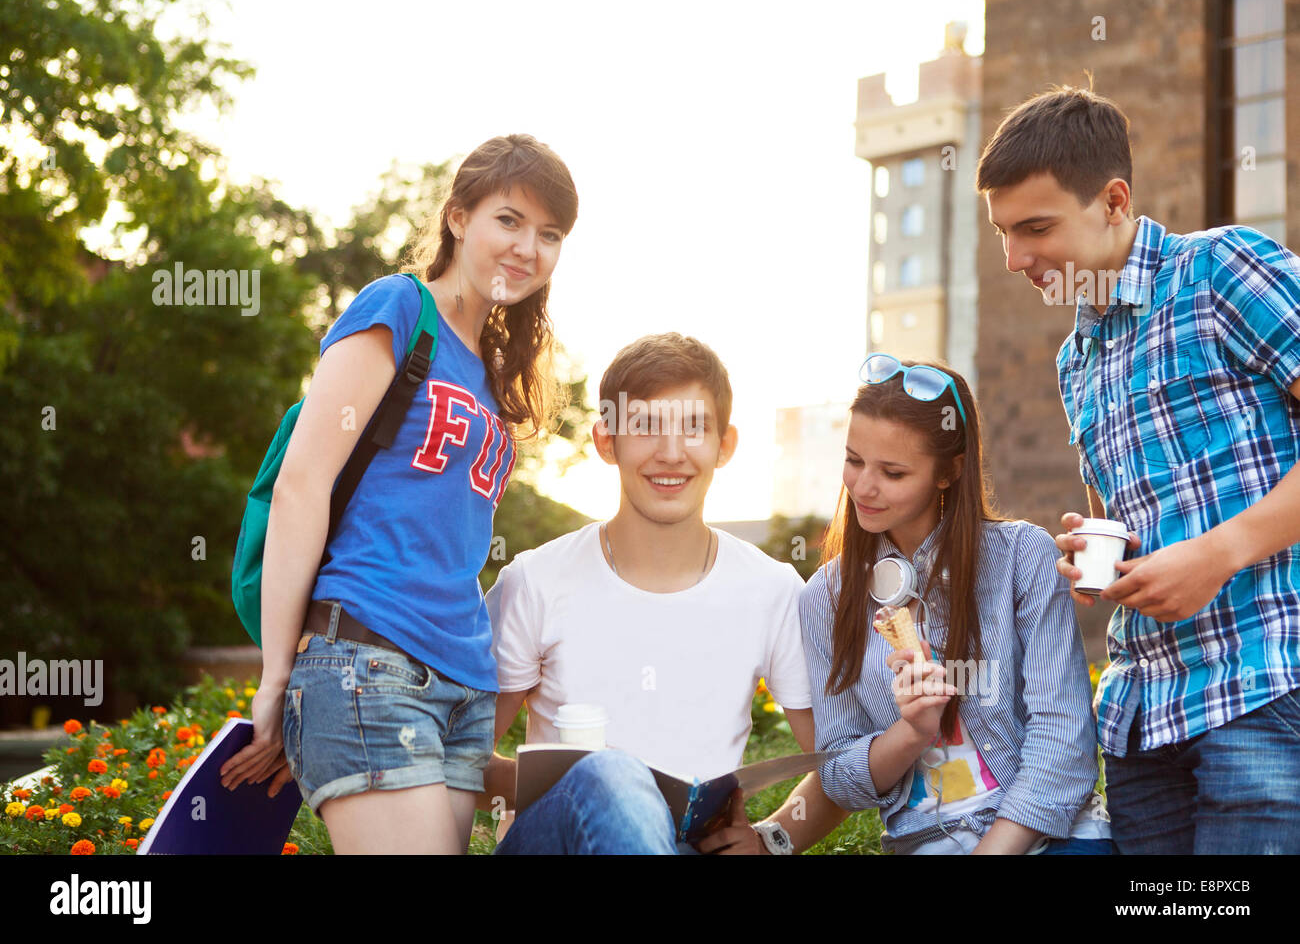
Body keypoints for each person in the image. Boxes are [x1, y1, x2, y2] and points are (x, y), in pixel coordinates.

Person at [217, 134, 579, 854]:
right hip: (365, 661)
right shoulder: (399, 307)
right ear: (456, 218)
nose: (526, 248)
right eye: (508, 220)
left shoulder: (500, 372)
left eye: (549, 235)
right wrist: (279, 675)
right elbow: (302, 486)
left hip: (466, 687)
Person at [979, 85, 1300, 854]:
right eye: (1002, 234)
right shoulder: (1074, 359)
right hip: (1140, 720)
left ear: (1114, 201)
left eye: (1035, 228)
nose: (1016, 258)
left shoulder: (1223, 270)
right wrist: (1099, 557)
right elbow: (1132, 522)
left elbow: (1208, 545)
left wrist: (1218, 553)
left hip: (1260, 688)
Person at [481, 333, 849, 854]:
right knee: (608, 775)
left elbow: (840, 766)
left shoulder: (771, 590)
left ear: (726, 445)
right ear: (607, 441)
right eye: (645, 426)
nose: (672, 453)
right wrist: (574, 785)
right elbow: (463, 759)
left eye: (695, 428)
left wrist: (772, 841)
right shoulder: (535, 581)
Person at [799, 356, 1111, 854]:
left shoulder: (1021, 557)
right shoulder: (824, 598)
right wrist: (911, 731)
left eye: (894, 472)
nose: (863, 486)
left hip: (1053, 835)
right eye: (854, 460)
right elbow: (838, 777)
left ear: (949, 472)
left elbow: (1064, 739)